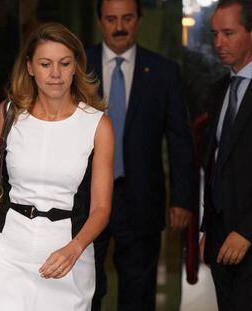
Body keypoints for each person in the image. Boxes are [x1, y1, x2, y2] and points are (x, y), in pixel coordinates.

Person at [0, 22, 114, 311]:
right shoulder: (8, 114)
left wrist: (75, 248)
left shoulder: (97, 124)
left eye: (64, 63)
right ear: (30, 67)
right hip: (7, 252)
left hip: (67, 254)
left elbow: (102, 208)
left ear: (75, 67)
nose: (55, 74)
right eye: (45, 64)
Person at [86, 0, 194, 310]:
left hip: (142, 199)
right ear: (99, 22)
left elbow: (179, 140)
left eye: (127, 18)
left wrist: (181, 199)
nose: (119, 27)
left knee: (138, 291)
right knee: (85, 288)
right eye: (111, 19)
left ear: (139, 19)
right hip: (87, 197)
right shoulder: (79, 65)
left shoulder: (164, 72)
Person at [200, 0, 252, 310]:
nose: (219, 42)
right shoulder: (219, 89)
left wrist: (246, 231)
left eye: (228, 33)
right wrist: (210, 227)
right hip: (221, 238)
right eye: (215, 33)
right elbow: (216, 164)